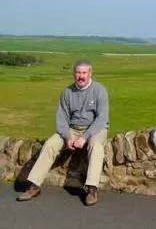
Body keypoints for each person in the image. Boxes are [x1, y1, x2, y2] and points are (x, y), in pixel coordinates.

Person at [17, 59, 109, 206]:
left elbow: (102, 118)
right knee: (50, 144)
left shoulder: (99, 90)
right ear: (74, 74)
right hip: (72, 128)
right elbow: (61, 118)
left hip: (94, 128)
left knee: (96, 146)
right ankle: (34, 185)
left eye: (84, 72)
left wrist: (85, 137)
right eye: (78, 72)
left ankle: (92, 189)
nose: (81, 76)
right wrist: (68, 137)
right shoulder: (67, 92)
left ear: (90, 73)